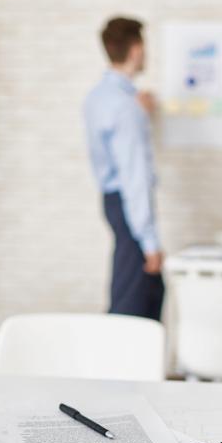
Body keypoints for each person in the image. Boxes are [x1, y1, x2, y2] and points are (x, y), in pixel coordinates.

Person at [84, 17, 164, 320]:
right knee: (135, 302)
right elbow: (135, 175)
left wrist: (140, 112)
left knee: (135, 290)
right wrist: (150, 241)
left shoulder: (99, 97)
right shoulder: (126, 107)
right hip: (131, 206)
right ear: (136, 49)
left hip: (113, 201)